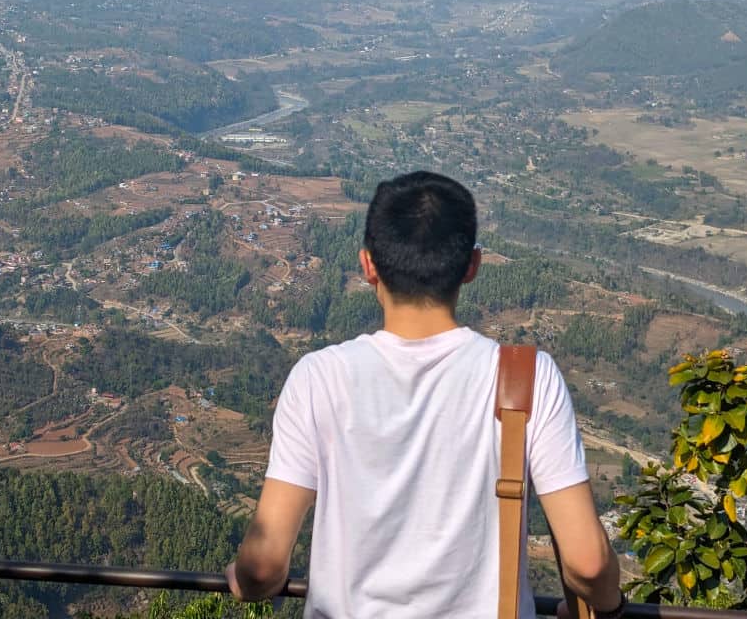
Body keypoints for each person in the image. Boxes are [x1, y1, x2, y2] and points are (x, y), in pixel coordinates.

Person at [226, 171, 622, 618]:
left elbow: (263, 565)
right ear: (472, 266)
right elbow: (587, 561)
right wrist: (608, 608)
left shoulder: (319, 377)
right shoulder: (527, 377)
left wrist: (245, 582)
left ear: (368, 264)